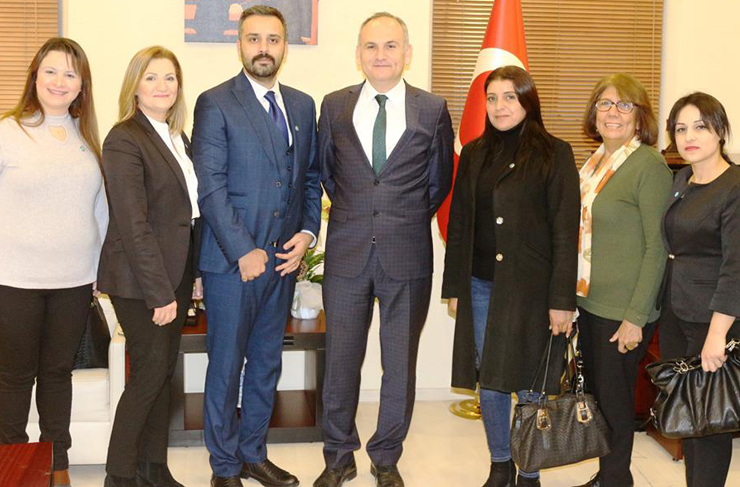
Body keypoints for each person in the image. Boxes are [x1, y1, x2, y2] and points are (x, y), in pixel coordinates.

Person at [315, 12, 454, 487]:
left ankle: (386, 456)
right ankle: (338, 456)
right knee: (340, 363)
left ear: (407, 54)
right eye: (371, 46)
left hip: (407, 254)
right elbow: (327, 174)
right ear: (358, 54)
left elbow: (438, 183)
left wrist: (399, 218)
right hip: (347, 254)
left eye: (391, 46)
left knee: (399, 366)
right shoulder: (334, 106)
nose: (381, 55)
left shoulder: (432, 109)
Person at [192, 5, 322, 487]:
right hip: (233, 265)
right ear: (240, 44)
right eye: (254, 39)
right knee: (226, 368)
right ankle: (224, 467)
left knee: (267, 364)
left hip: (283, 264)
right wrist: (243, 250)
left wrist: (307, 234)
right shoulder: (215, 102)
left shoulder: (303, 105)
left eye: (273, 39)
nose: (263, 48)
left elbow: (309, 179)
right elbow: (210, 186)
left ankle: (253, 454)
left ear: (285, 46)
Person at [442, 65, 580, 487]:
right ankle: (500, 463)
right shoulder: (474, 153)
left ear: (527, 101)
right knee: (492, 379)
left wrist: (562, 300)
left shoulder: (555, 153)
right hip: (480, 284)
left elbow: (565, 232)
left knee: (530, 380)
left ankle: (529, 470)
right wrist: (455, 287)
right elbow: (460, 224)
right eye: (492, 97)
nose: (499, 106)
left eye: (509, 97)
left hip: (533, 290)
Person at [0, 37, 107, 487]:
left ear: (82, 84)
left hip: (75, 281)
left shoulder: (88, 138)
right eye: (50, 70)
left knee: (58, 374)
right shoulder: (8, 131)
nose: (59, 81)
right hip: (15, 280)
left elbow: (100, 210)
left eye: (70, 73)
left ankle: (56, 465)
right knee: (14, 378)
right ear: (35, 76)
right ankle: (16, 469)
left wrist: (101, 269)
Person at [97, 46, 201, 487]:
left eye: (170, 78)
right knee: (148, 375)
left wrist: (195, 275)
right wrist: (159, 292)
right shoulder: (124, 138)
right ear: (135, 86)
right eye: (152, 77)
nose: (162, 86)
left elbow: (188, 215)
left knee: (162, 373)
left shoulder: (178, 137)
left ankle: (153, 469)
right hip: (140, 281)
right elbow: (133, 223)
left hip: (175, 273)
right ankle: (120, 475)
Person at [572, 74, 673, 487]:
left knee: (614, 406)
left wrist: (636, 317)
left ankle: (616, 481)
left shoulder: (648, 165)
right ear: (594, 112)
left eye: (624, 104)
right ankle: (610, 475)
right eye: (605, 103)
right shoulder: (595, 163)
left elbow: (657, 249)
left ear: (639, 115)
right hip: (590, 302)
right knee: (599, 400)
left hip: (623, 312)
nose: (613, 112)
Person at [660, 92, 740, 487]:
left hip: (713, 320)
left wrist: (716, 335)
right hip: (677, 315)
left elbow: (736, 266)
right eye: (680, 129)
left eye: (700, 127)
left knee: (709, 425)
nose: (688, 137)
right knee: (688, 420)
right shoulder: (682, 180)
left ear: (720, 131)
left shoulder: (735, 186)